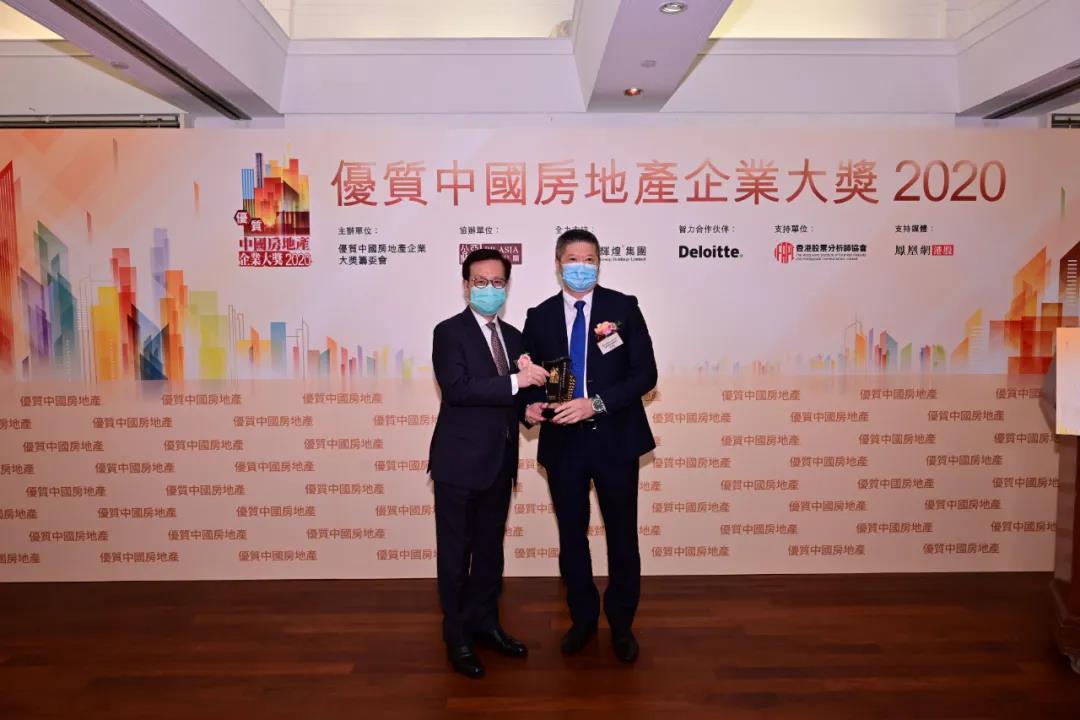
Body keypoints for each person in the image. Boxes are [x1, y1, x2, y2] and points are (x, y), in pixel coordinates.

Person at [522, 228, 658, 664]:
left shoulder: (623, 308)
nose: (582, 267)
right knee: (572, 537)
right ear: (558, 263)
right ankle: (582, 618)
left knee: (622, 537)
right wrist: (530, 406)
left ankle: (621, 622)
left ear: (599, 263)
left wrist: (594, 404)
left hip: (615, 439)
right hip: (564, 443)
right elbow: (530, 380)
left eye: (590, 259)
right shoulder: (539, 316)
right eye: (573, 259)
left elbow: (645, 374)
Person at [428, 248, 548, 679]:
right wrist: (518, 381)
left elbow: (507, 398)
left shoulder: (514, 337)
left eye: (497, 282)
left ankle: (485, 623)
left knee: (490, 552)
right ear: (466, 286)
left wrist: (527, 411)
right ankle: (456, 635)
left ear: (507, 287)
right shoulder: (449, 332)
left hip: (499, 462)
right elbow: (459, 389)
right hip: (459, 463)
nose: (489, 289)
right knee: (455, 555)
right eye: (480, 282)